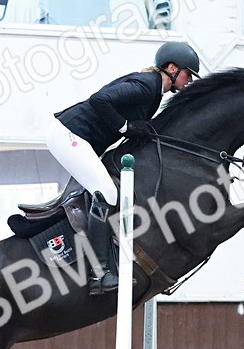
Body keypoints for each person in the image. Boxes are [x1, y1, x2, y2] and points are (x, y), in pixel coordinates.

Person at [47, 41, 200, 295]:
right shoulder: (147, 85)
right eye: (188, 74)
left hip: (78, 138)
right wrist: (126, 127)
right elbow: (99, 100)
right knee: (107, 193)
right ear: (172, 68)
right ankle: (99, 275)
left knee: (106, 191)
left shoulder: (155, 91)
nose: (190, 80)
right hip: (69, 134)